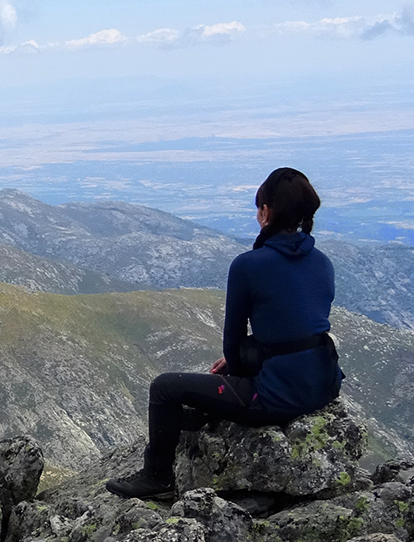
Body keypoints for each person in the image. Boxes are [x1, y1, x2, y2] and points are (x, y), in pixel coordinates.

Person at [106, 167, 343, 500]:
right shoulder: (323, 262)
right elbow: (296, 329)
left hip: (276, 397)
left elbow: (231, 343)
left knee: (164, 388)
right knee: (223, 378)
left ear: (265, 212)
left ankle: (157, 477)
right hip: (323, 385)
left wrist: (235, 370)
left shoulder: (249, 265)